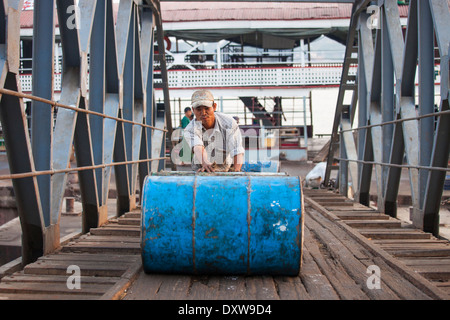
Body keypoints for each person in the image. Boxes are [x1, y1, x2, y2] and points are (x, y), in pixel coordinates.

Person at [183, 90, 245, 173]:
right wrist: (205, 163)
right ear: (193, 110)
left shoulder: (229, 123)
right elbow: (198, 147)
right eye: (199, 109)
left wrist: (236, 172)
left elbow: (237, 150)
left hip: (225, 169)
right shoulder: (190, 129)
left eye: (206, 108)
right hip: (201, 169)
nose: (203, 113)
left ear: (214, 107)